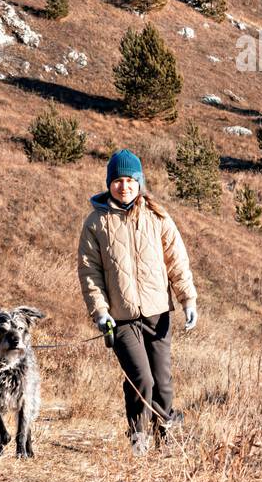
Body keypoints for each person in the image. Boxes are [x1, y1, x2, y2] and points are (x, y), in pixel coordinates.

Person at [78, 149, 198, 454]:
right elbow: (89, 272)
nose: (124, 186)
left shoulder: (157, 216)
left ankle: (165, 432)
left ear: (139, 182)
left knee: (162, 381)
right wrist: (101, 312)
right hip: (121, 317)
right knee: (140, 378)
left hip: (158, 313)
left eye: (130, 180)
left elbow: (177, 262)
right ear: (109, 184)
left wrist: (188, 301)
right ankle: (138, 437)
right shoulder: (96, 222)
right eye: (117, 180)